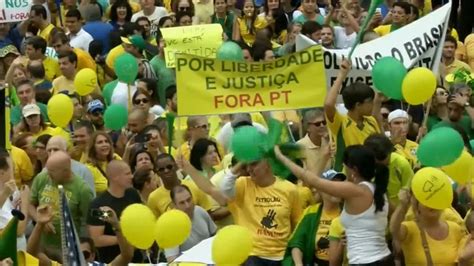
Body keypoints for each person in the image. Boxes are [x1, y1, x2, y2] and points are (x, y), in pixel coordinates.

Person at [274, 144, 393, 265]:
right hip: (385, 259)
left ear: (354, 170)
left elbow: (313, 180)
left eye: (345, 166)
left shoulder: (355, 191)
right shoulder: (380, 191)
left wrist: (281, 157)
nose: (344, 169)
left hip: (365, 262)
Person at [180, 149, 302, 265]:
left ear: (268, 162)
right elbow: (217, 188)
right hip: (252, 255)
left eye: (254, 164)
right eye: (246, 165)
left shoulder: (289, 189)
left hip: (282, 255)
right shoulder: (242, 185)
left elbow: (297, 225)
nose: (249, 169)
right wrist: (242, 161)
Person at [29, 151, 94, 261]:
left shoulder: (82, 190)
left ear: (65, 171)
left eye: (52, 171)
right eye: (47, 169)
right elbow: (30, 204)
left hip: (66, 249)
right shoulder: (42, 178)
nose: (48, 174)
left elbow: (88, 222)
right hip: (41, 244)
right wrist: (40, 221)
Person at [324, 59, 382, 171]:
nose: (372, 104)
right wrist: (341, 75)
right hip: (346, 177)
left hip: (369, 175)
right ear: (358, 105)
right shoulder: (340, 122)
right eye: (369, 101)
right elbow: (328, 104)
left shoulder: (372, 121)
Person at [390, 189, 468, 265]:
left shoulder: (455, 228)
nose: (432, 204)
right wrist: (402, 206)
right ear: (417, 205)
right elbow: (394, 230)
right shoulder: (409, 228)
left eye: (436, 199)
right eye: (426, 200)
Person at [285, 170, 345, 266]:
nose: (337, 189)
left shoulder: (349, 214)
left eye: (340, 185)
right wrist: (299, 264)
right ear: (320, 189)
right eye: (332, 185)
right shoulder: (311, 212)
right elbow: (297, 242)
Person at [87, 160, 142, 263]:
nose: (131, 176)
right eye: (127, 174)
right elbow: (96, 239)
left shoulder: (133, 194)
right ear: (115, 177)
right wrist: (125, 240)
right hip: (112, 260)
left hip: (137, 259)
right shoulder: (98, 205)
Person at [147, 153, 212, 218]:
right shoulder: (153, 198)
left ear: (176, 167)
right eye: (161, 169)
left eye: (169, 167)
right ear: (157, 173)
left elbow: (208, 214)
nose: (166, 171)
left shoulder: (194, 186)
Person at [165, 185, 217, 262]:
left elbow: (215, 236)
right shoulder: (171, 227)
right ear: (174, 205)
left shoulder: (200, 211)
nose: (187, 206)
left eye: (189, 200)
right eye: (182, 203)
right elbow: (172, 260)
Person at [364, 134, 413, 210]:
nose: (386, 160)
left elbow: (408, 191)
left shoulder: (401, 163)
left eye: (388, 156)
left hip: (398, 210)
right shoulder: (361, 166)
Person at [0, 149, 29, 251]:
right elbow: (18, 230)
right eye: (12, 166)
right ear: (1, 173)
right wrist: (25, 202)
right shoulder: (5, 192)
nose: (15, 169)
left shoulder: (7, 189)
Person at [297, 108, 330, 173]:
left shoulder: (328, 142)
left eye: (324, 122)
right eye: (317, 124)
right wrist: (324, 158)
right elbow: (306, 179)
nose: (322, 126)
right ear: (308, 128)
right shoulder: (299, 147)